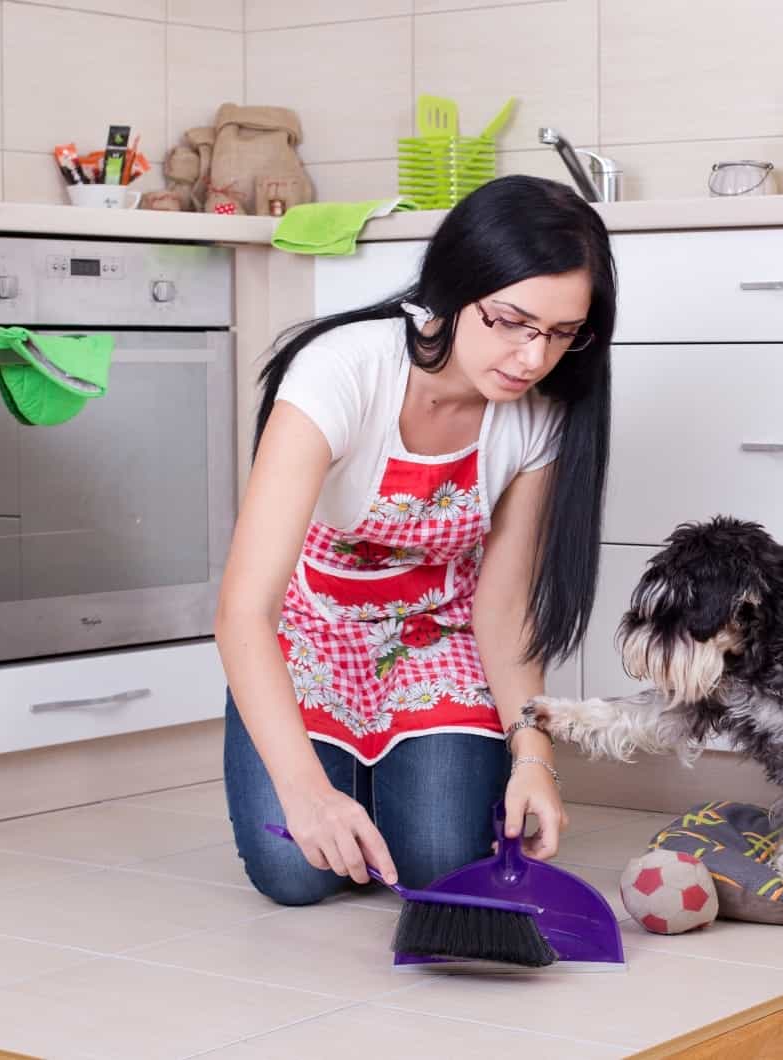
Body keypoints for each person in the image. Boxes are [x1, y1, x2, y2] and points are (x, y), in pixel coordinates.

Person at [215, 175, 616, 905]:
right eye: (511, 321)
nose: (532, 358)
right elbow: (245, 611)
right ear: (455, 288)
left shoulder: (541, 415)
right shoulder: (342, 370)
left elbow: (501, 609)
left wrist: (534, 760)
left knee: (437, 860)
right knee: (295, 873)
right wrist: (306, 792)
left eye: (560, 335)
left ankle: (384, 780)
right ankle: (336, 772)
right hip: (311, 636)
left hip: (434, 642)